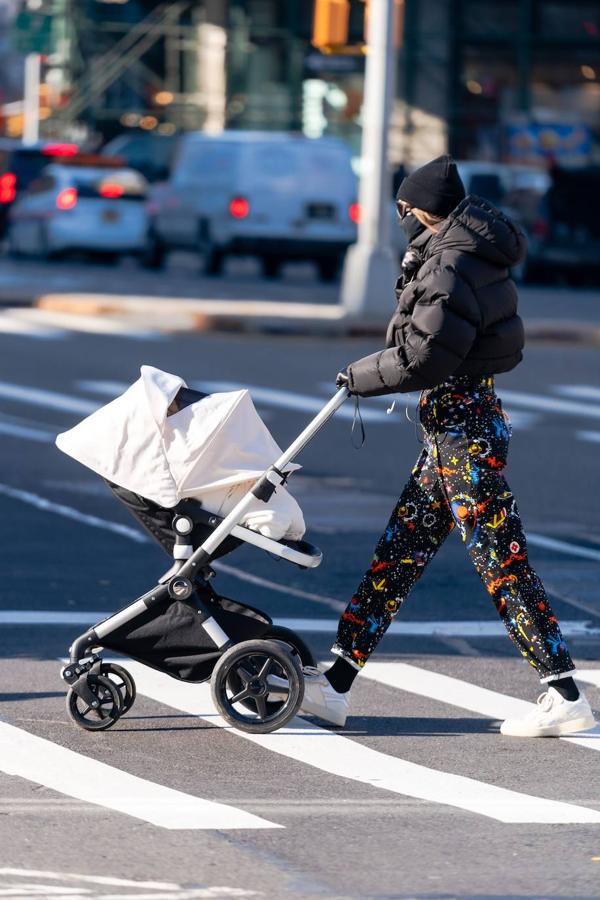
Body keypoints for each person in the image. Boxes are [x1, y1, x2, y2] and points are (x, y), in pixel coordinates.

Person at [300, 154, 596, 738]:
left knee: (500, 561)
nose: (399, 221)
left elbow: (427, 354)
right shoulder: (456, 254)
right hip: (453, 427)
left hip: (464, 433)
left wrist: (360, 375)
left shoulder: (452, 265)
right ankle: (335, 685)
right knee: (398, 556)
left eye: (402, 212)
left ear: (416, 210)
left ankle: (564, 693)